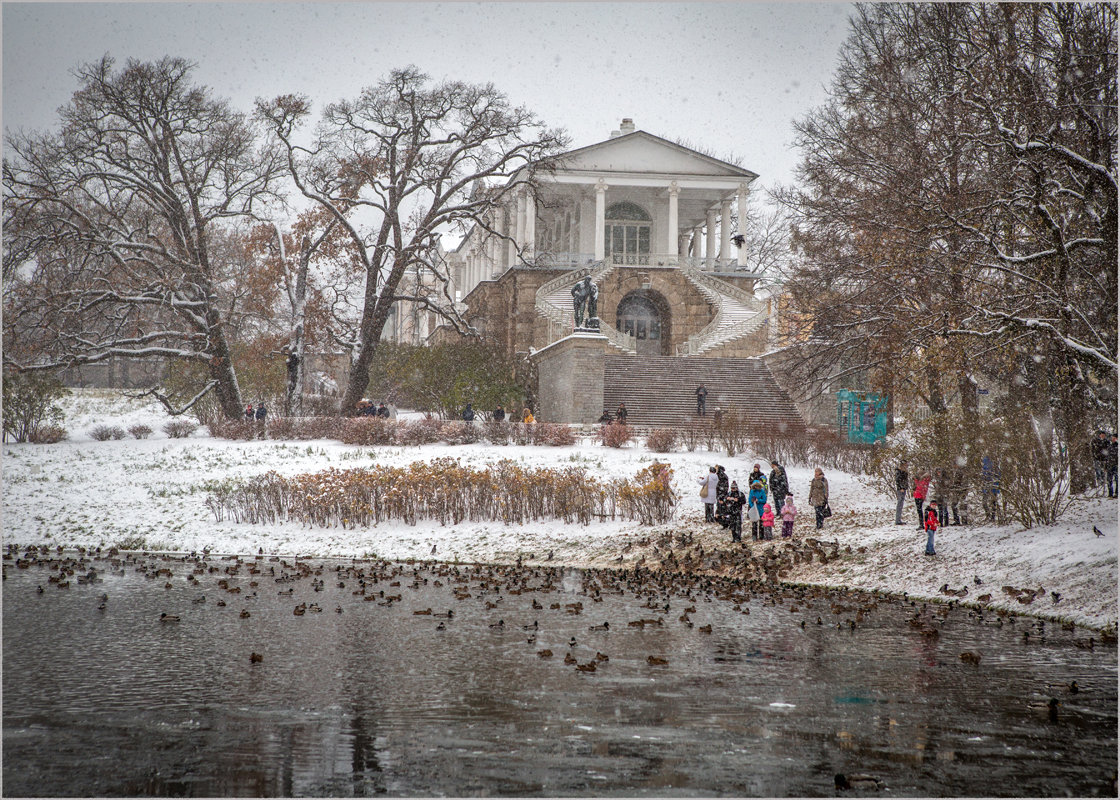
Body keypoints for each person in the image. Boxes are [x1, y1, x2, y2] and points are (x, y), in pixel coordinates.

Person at [894, 460, 910, 525]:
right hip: (901, 489)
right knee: (900, 503)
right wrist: (901, 488)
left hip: (903, 488)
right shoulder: (899, 471)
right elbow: (897, 480)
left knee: (901, 503)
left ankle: (898, 519)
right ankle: (897, 520)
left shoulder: (904, 471)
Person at [1107, 434, 1118, 499]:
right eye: (1112, 438)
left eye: (1114, 438)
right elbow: (1107, 456)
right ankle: (1110, 493)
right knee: (1109, 480)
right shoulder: (1109, 446)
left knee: (1117, 480)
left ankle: (1117, 493)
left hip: (1116, 465)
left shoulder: (1117, 446)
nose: (1113, 439)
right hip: (1110, 465)